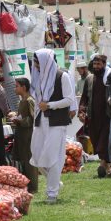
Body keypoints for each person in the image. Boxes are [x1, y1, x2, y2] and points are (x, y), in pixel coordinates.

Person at [30, 49, 75, 204]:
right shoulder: (38, 77)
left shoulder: (62, 76)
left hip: (56, 122)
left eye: (37, 62)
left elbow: (69, 99)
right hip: (40, 121)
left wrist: (50, 105)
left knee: (53, 157)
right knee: (36, 155)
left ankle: (52, 193)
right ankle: (54, 181)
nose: (35, 66)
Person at [79, 55, 111, 178]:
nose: (96, 67)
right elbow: (84, 98)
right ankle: (107, 165)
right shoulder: (89, 79)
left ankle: (103, 164)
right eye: (95, 64)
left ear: (104, 64)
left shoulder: (108, 78)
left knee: (103, 141)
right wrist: (81, 111)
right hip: (93, 117)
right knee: (96, 140)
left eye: (99, 64)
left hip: (106, 116)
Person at [10, 78, 38, 193]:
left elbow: (34, 119)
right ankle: (26, 185)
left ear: (24, 87)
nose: (15, 88)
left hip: (28, 135)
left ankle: (33, 187)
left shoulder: (30, 100)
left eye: (17, 86)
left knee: (29, 161)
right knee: (23, 160)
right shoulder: (21, 101)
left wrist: (20, 121)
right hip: (21, 135)